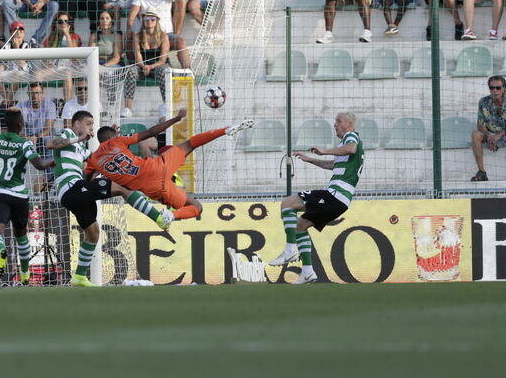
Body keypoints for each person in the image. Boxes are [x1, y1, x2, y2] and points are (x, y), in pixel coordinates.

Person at [48, 110, 169, 286]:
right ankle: (158, 218)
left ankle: (79, 277)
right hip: (70, 188)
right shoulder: (68, 134)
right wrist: (79, 139)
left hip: (77, 191)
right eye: (88, 123)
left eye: (92, 124)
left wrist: (114, 141)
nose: (91, 127)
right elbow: (51, 143)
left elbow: (96, 165)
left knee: (93, 233)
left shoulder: (83, 150)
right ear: (76, 124)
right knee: (121, 188)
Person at [87, 108, 252, 222]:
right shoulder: (119, 141)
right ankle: (225, 130)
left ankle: (171, 216)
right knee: (189, 145)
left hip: (151, 187)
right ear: (113, 136)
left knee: (195, 206)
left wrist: (95, 176)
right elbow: (151, 132)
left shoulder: (93, 159)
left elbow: (86, 180)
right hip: (157, 167)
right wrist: (176, 119)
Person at [269, 112, 364, 285]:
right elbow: (332, 165)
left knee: (287, 203)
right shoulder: (347, 149)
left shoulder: (351, 138)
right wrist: (311, 160)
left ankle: (290, 250)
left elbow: (351, 148)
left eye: (338, 121)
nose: (335, 124)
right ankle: (308, 272)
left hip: (335, 195)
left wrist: (324, 151)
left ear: (349, 125)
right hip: (341, 200)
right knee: (300, 226)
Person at [0, 107, 53, 283]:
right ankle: (24, 275)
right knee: (21, 234)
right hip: (19, 196)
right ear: (20, 124)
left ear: (5, 124)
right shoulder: (24, 143)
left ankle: (1, 251)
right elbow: (39, 165)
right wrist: (55, 160)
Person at [126, 0, 192, 69]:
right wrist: (129, 29)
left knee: (180, 41)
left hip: (166, 35)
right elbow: (132, 15)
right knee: (128, 39)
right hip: (146, 34)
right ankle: (134, 70)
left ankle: (188, 71)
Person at [470, 75, 506, 181]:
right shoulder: (483, 101)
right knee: (475, 134)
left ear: (504, 89)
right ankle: (481, 172)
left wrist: (500, 134)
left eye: (498, 88)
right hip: (489, 133)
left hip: (505, 134)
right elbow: (480, 124)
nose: (495, 90)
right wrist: (489, 135)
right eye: (491, 87)